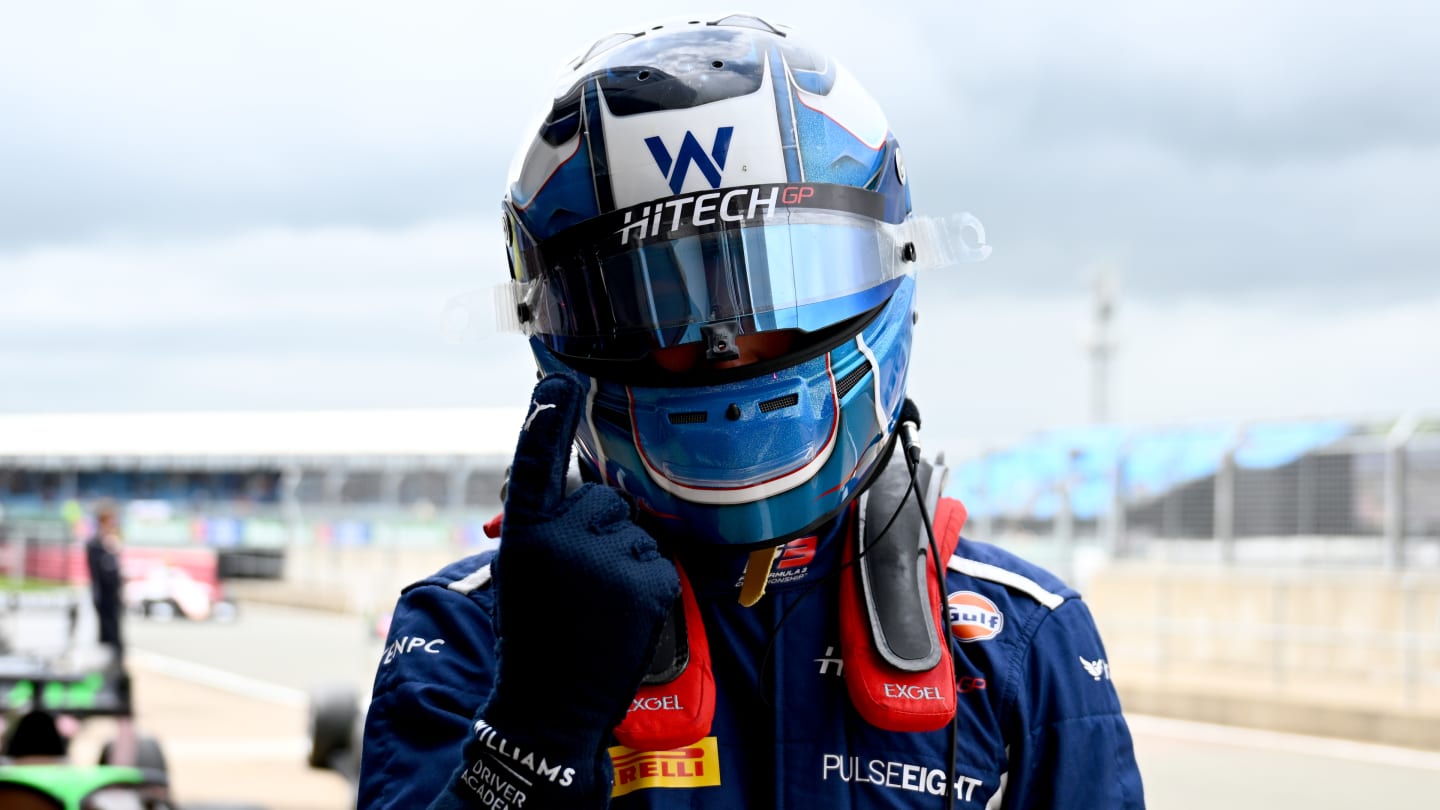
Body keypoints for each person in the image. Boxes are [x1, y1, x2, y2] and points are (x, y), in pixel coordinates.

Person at [359, 14, 1145, 809]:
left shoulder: (1019, 641)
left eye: (781, 288)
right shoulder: (468, 631)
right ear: (563, 327)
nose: (725, 347)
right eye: (657, 304)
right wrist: (532, 734)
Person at [85, 499, 125, 662]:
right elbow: (100, 571)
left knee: (115, 628)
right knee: (106, 629)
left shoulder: (112, 541)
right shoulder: (95, 543)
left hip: (114, 594)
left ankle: (116, 658)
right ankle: (108, 660)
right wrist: (108, 550)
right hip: (103, 594)